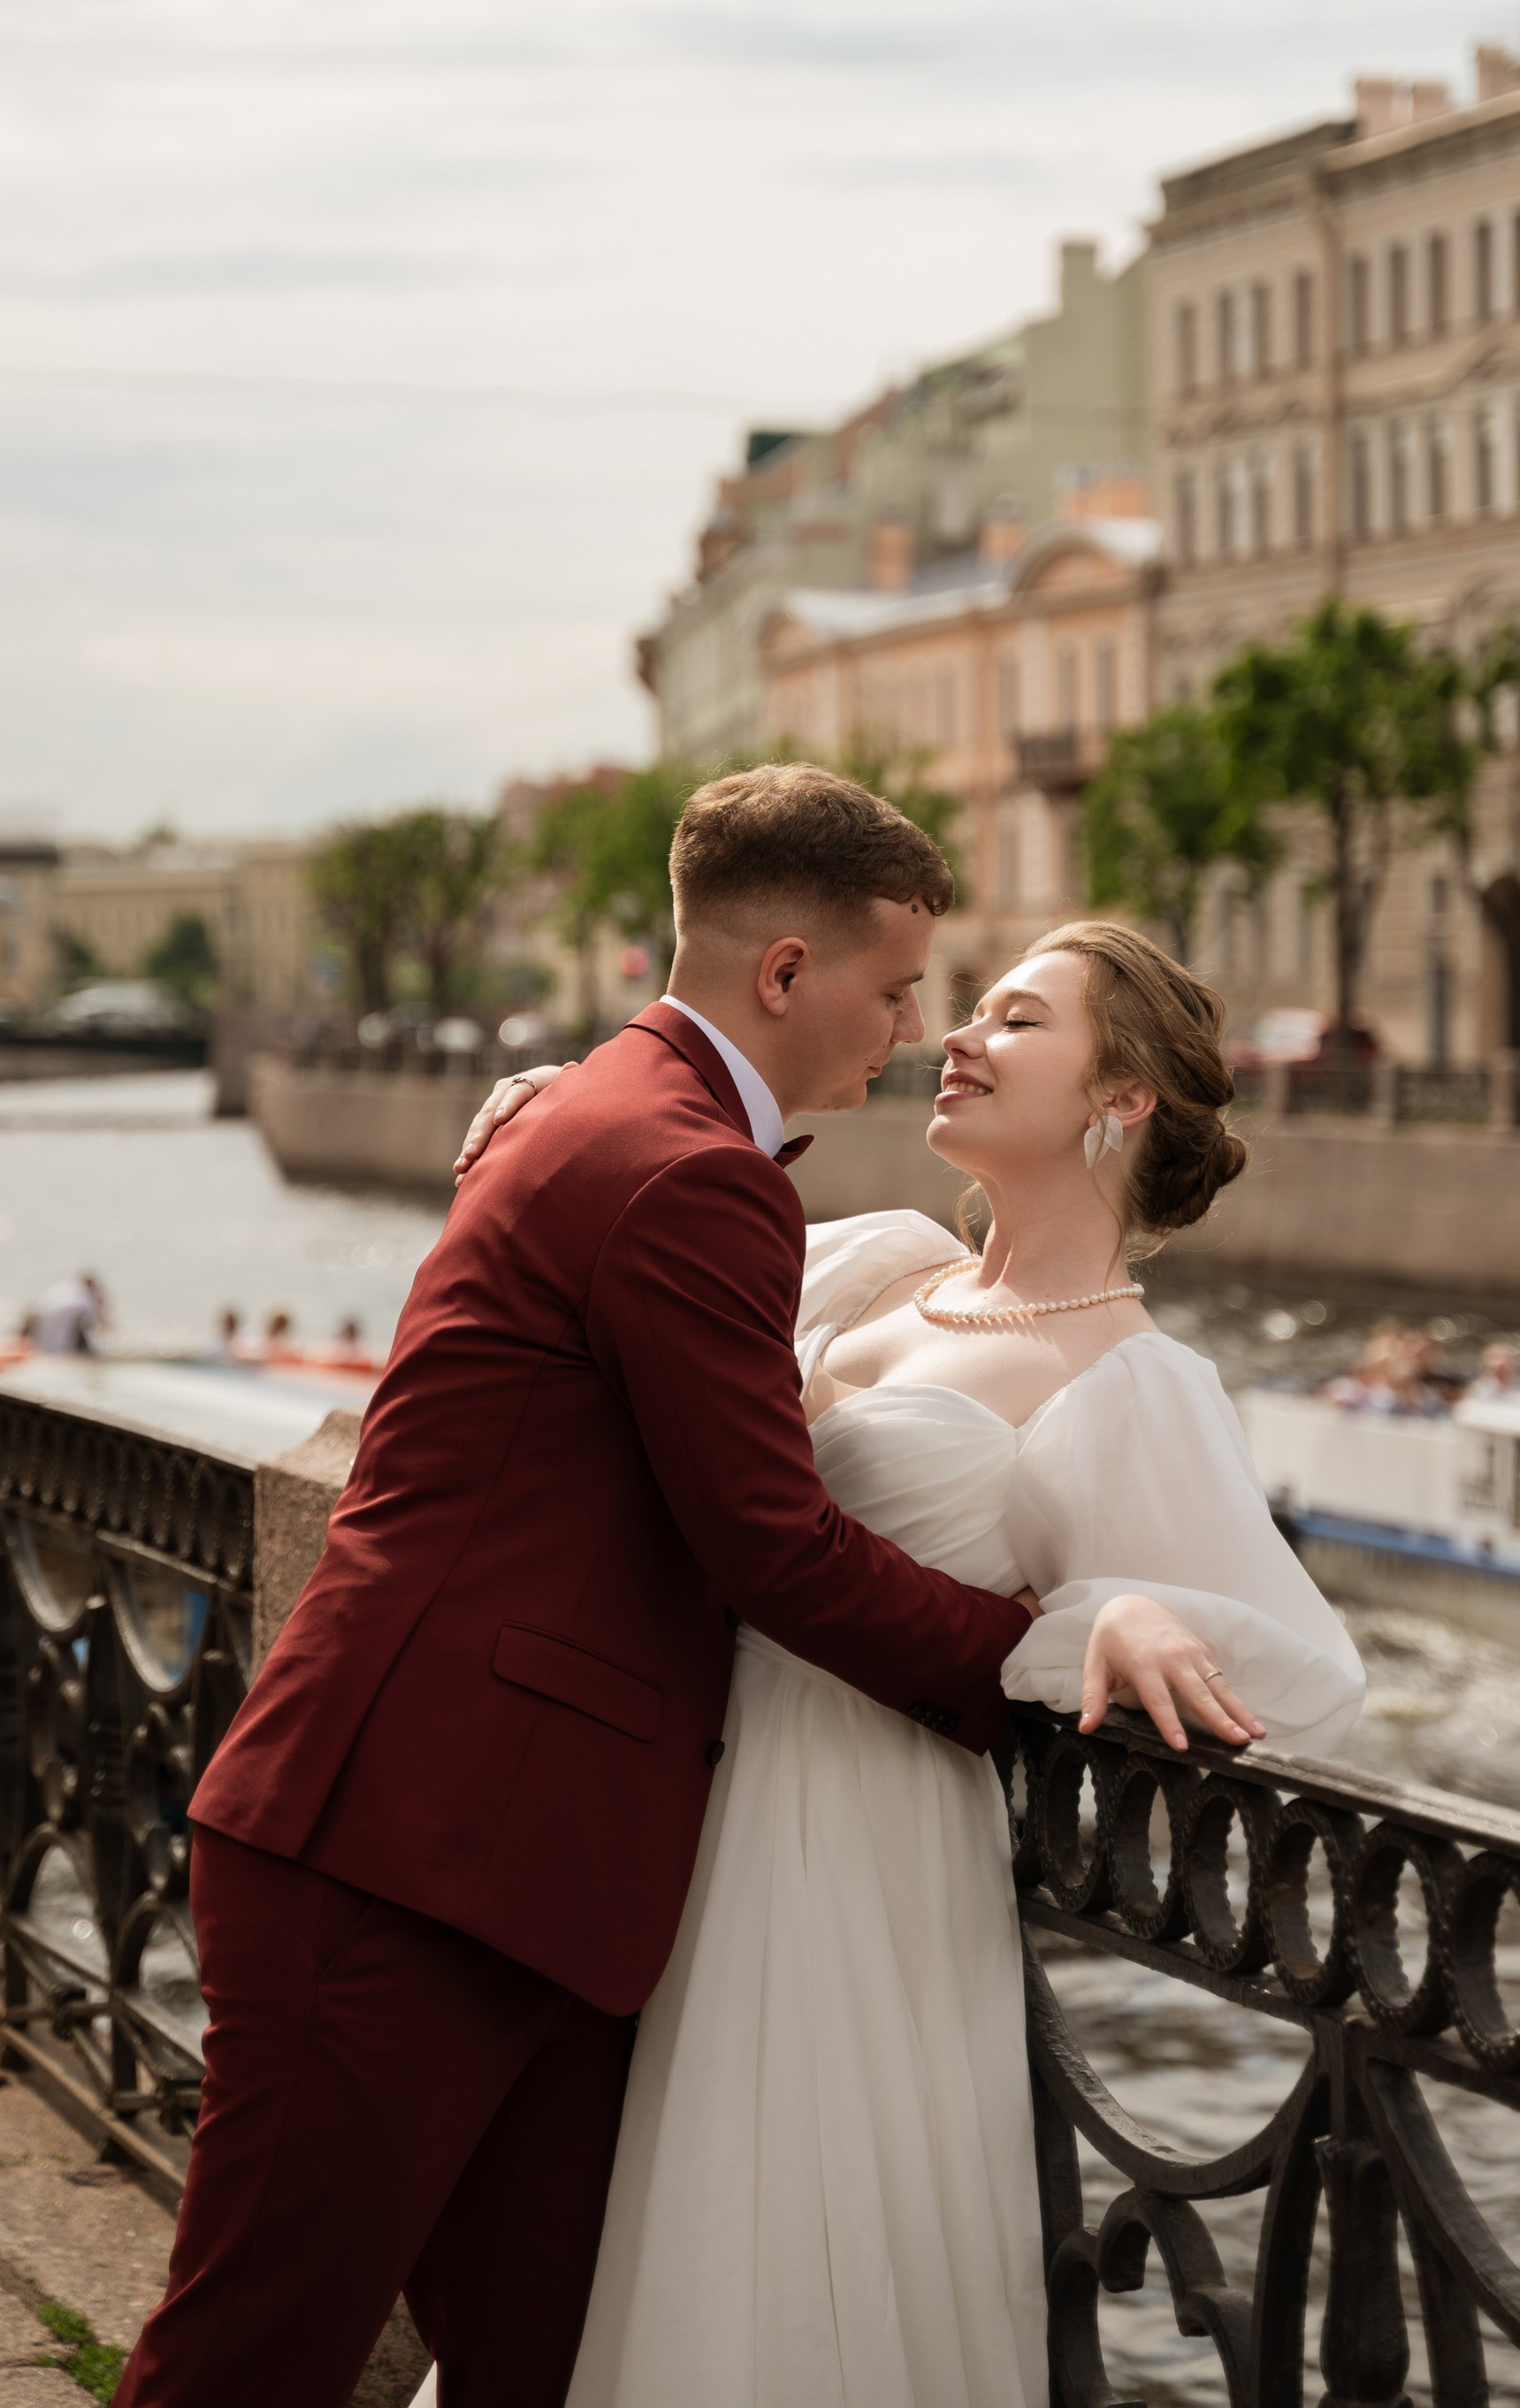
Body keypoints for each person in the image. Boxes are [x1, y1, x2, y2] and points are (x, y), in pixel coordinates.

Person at [116, 768, 1225, 2408]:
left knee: (543, 2371)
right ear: (785, 972)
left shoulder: (623, 1118)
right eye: (897, 987)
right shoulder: (682, 1165)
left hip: (538, 1873)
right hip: (403, 1856)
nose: (911, 1028)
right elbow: (774, 1547)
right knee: (245, 2359)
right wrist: (1037, 1652)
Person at [447, 914, 1363, 2407]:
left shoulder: (1135, 1378)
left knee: (781, 2234)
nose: (958, 1036)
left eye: (1017, 1020)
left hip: (859, 1827)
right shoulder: (883, 1265)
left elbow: (1299, 1673)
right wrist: (569, 1112)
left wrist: (1118, 1611)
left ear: (1121, 1096)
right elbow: (646, 1251)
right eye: (971, 1009)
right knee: (610, 2227)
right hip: (680, 1787)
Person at [30, 1273, 104, 1355]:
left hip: (39, 1337)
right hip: (61, 1346)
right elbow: (100, 1323)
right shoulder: (85, 1298)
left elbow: (34, 1311)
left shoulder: (61, 1289)